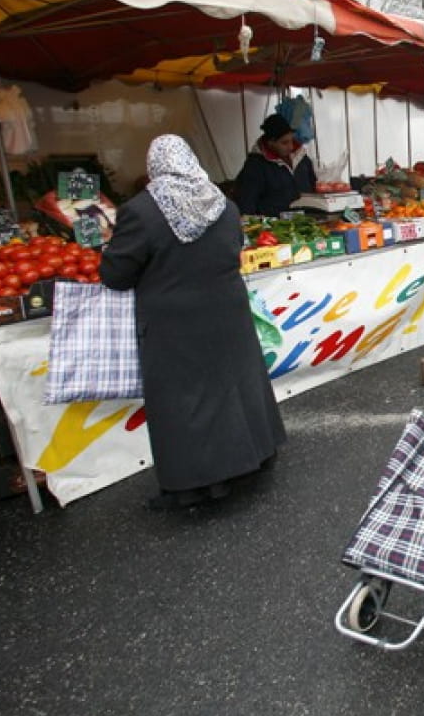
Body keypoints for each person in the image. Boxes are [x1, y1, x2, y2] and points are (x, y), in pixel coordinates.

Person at [100, 135, 286, 509]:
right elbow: (232, 250)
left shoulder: (141, 211)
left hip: (175, 325)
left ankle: (198, 484)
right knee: (237, 388)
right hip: (228, 314)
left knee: (185, 403)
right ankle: (255, 456)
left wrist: (108, 247)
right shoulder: (224, 205)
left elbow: (116, 275)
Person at [235, 113, 316, 217]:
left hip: (307, 221)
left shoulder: (301, 157)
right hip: (276, 226)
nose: (291, 146)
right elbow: (246, 203)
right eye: (284, 143)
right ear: (270, 142)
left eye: (291, 140)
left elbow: (314, 185)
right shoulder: (256, 165)